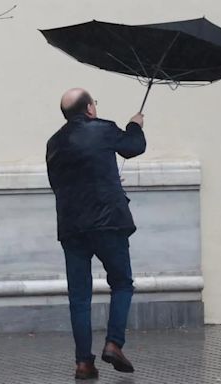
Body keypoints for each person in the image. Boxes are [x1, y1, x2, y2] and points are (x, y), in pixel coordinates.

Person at [46, 88, 146, 379]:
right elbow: (133, 147)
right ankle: (114, 343)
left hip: (72, 227)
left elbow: (60, 183)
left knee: (79, 297)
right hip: (108, 223)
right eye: (95, 104)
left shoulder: (54, 143)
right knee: (122, 283)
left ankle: (83, 363)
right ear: (89, 108)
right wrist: (135, 125)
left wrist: (105, 178)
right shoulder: (104, 129)